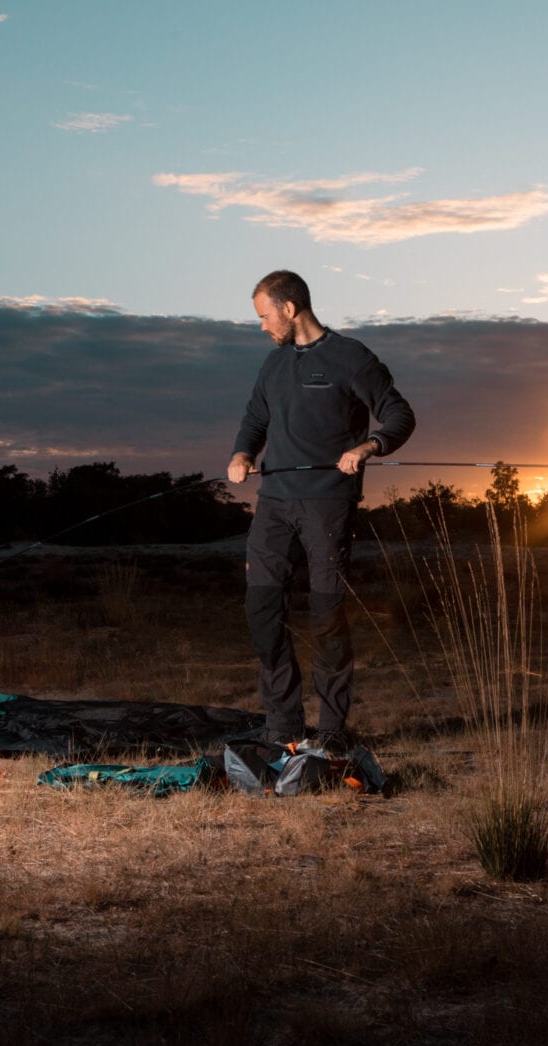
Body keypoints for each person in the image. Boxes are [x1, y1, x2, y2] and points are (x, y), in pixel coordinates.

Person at [227, 270, 416, 751]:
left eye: (264, 315)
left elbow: (398, 414)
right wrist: (242, 454)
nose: (262, 326)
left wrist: (368, 446)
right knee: (262, 609)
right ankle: (283, 725)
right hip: (273, 503)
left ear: (289, 309)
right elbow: (255, 419)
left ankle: (331, 730)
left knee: (327, 616)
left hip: (328, 504)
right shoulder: (273, 366)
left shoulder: (351, 357)